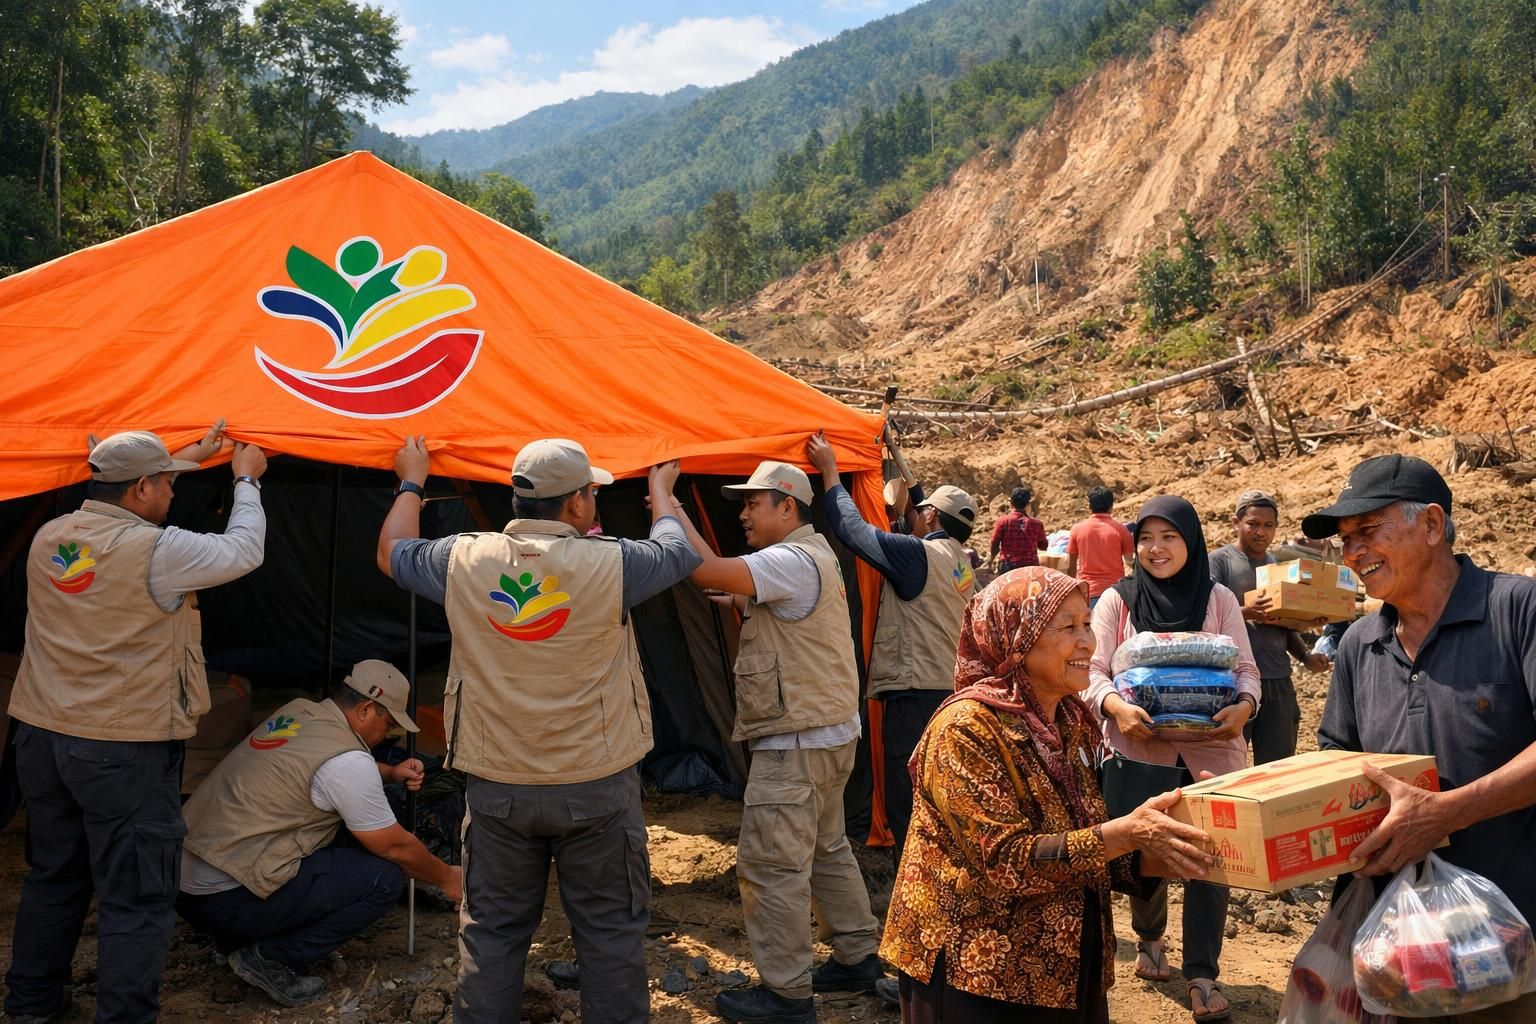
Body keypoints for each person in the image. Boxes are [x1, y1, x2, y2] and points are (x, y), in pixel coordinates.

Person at [377, 436, 701, 1024]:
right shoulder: (617, 564)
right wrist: (660, 493)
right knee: (609, 936)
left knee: (492, 935)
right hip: (597, 788)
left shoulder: (461, 559)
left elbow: (392, 549)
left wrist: (412, 480)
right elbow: (678, 550)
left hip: (498, 789)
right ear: (578, 504)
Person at [4, 424, 267, 1024]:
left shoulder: (50, 536)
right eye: (167, 484)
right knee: (136, 897)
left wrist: (187, 457)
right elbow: (244, 550)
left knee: (55, 877)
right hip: (120, 749)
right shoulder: (157, 550)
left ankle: (31, 1007)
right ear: (143, 487)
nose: (173, 496)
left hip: (41, 738)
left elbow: (137, 485)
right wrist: (246, 479)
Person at [880, 567, 1216, 1023]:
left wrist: (1174, 845)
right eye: (1068, 627)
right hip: (979, 971)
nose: (1089, 642)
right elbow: (1005, 860)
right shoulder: (965, 729)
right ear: (1017, 637)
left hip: (1060, 964)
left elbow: (1086, 839)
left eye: (1088, 624)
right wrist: (1128, 833)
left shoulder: (1071, 722)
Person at [1308, 455, 1536, 1023]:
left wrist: (1445, 814)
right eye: (1344, 540)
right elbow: (1339, 758)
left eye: (1367, 531)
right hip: (1392, 947)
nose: (1353, 553)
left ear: (1432, 525)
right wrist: (1265, 802)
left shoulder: (1516, 609)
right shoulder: (1361, 643)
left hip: (1509, 941)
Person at [671, 459, 882, 1024]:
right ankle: (859, 956)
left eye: (752, 503)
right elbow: (778, 610)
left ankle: (786, 995)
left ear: (787, 506)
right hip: (829, 737)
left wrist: (669, 505)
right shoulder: (815, 559)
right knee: (827, 849)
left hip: (795, 745)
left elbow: (707, 571)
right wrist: (740, 597)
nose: (742, 514)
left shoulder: (788, 559)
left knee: (771, 866)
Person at [177, 660, 461, 1006]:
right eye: (388, 724)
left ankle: (235, 939)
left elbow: (318, 763)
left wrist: (389, 772)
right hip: (228, 897)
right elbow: (394, 846)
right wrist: (447, 877)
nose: (388, 735)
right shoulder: (348, 762)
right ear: (366, 709)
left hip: (186, 884)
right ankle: (269, 957)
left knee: (343, 838)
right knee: (383, 878)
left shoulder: (300, 713)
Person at [1085, 496, 1260, 1023]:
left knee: (1211, 858)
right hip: (1139, 750)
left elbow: (1247, 671)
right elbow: (1092, 673)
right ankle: (1149, 936)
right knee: (1145, 857)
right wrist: (1118, 707)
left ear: (1192, 541)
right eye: (1146, 539)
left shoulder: (1220, 598)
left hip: (1212, 752)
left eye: (1169, 537)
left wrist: (1244, 708)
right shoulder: (1119, 601)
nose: (1156, 549)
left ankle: (1203, 972)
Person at [1208, 490, 1331, 764]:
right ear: (1235, 523)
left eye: (1268, 525)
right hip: (1232, 681)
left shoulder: (1277, 565)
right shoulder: (1219, 562)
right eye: (1253, 523)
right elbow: (1205, 616)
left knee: (1279, 764)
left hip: (1277, 679)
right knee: (1227, 763)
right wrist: (1246, 612)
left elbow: (1282, 624)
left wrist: (1305, 653)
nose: (1260, 532)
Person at [1067, 486, 1133, 608]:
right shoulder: (1121, 530)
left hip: (1087, 593)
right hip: (1115, 593)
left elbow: (1070, 567)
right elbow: (1130, 561)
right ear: (1111, 506)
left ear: (1089, 506)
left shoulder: (1077, 529)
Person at [988, 486, 1046, 573]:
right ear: (1028, 505)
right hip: (1030, 568)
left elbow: (994, 543)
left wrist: (991, 559)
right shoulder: (1037, 524)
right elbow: (1043, 546)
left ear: (1010, 503)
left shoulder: (1002, 521)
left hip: (1008, 566)